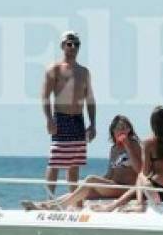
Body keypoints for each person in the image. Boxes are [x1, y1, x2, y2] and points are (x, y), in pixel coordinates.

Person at [24, 115, 142, 211]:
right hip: (113, 185)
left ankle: (55, 207)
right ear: (113, 131)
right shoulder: (114, 149)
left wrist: (128, 146)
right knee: (80, 189)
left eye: (125, 128)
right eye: (119, 128)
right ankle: (44, 204)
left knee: (90, 179)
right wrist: (94, 183)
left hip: (127, 188)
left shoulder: (134, 144)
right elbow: (110, 174)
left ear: (129, 130)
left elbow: (140, 170)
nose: (122, 131)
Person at [40, 30, 96, 195]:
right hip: (61, 119)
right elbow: (44, 95)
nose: (73, 47)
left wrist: (92, 124)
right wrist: (49, 119)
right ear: (62, 46)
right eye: (69, 44)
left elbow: (90, 99)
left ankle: (73, 200)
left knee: (74, 163)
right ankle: (49, 199)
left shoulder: (84, 72)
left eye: (76, 44)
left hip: (78, 119)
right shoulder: (54, 69)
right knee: (55, 160)